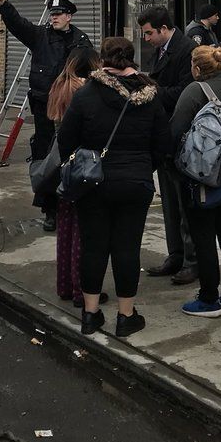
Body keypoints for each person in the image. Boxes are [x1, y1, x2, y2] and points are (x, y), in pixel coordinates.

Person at [56, 36, 170, 338]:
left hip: (93, 182)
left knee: (93, 246)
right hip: (136, 181)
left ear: (103, 60)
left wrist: (81, 160)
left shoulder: (86, 94)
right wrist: (144, 167)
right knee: (127, 248)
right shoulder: (151, 95)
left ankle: (90, 314)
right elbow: (163, 142)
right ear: (131, 58)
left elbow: (66, 138)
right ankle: (125, 315)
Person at [0, 0, 92, 232]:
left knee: (71, 160)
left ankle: (73, 206)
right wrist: (4, 5)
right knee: (46, 158)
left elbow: (90, 72)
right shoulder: (40, 36)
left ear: (69, 16)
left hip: (72, 112)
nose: (54, 17)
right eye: (52, 13)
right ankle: (50, 210)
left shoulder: (82, 42)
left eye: (59, 14)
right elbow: (18, 25)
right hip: (45, 111)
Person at [170, 45, 221, 317]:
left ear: (196, 68)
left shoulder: (194, 91)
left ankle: (208, 298)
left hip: (201, 176)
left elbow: (175, 130)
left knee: (203, 235)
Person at [137, 6, 198, 284]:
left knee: (185, 204)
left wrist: (152, 91)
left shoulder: (186, 51)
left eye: (149, 33)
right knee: (170, 204)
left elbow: (186, 92)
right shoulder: (160, 49)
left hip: (182, 136)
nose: (146, 38)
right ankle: (175, 255)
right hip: (163, 137)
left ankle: (191, 260)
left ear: (164, 29)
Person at [47, 44, 100, 309]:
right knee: (84, 232)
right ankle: (82, 290)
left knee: (65, 229)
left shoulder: (59, 84)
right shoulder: (84, 90)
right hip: (83, 165)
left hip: (63, 167)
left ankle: (65, 285)